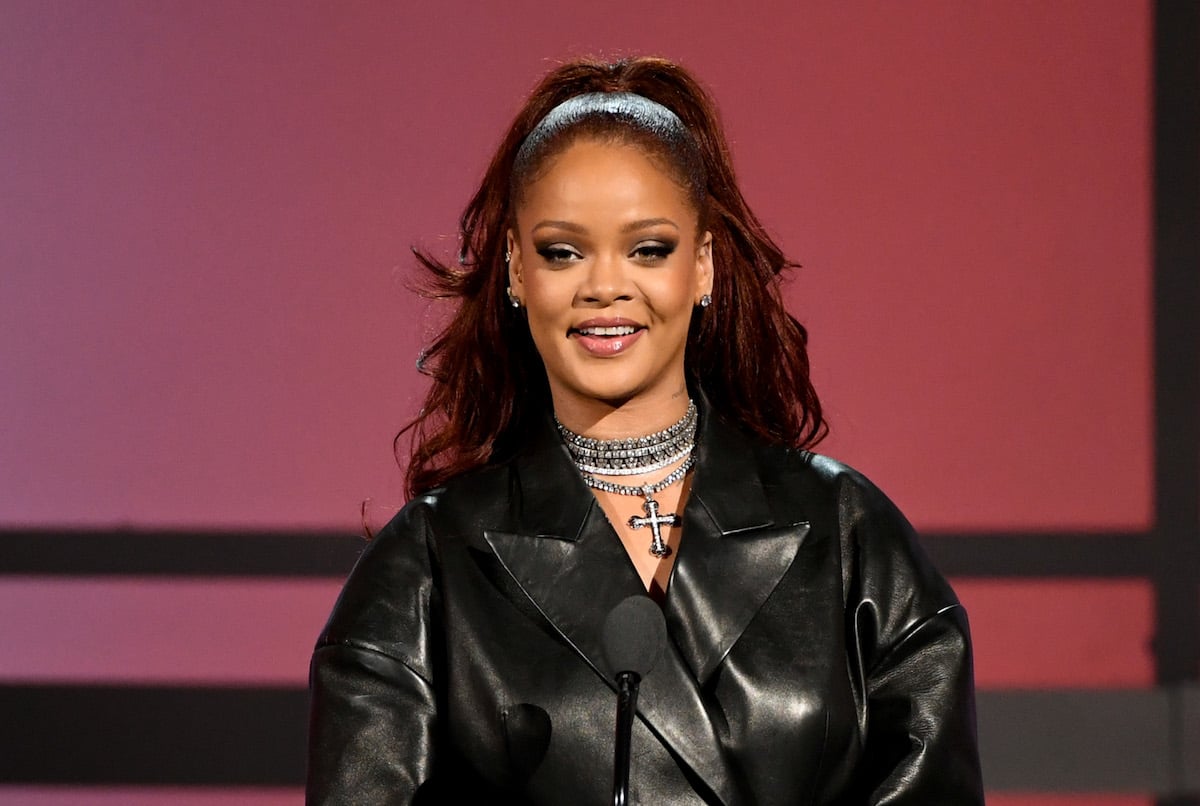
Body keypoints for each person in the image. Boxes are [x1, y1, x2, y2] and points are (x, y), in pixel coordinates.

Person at [307, 56, 984, 804]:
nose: (605, 287)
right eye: (563, 252)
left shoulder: (850, 535)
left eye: (648, 249)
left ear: (703, 266)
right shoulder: (426, 568)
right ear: (516, 270)